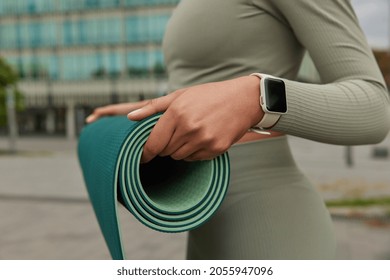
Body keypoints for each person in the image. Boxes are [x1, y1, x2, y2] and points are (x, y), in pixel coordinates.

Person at [85, 0, 390, 259]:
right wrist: (149, 112)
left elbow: (374, 107)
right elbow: (206, 89)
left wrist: (256, 97)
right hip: (203, 220)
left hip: (271, 222)